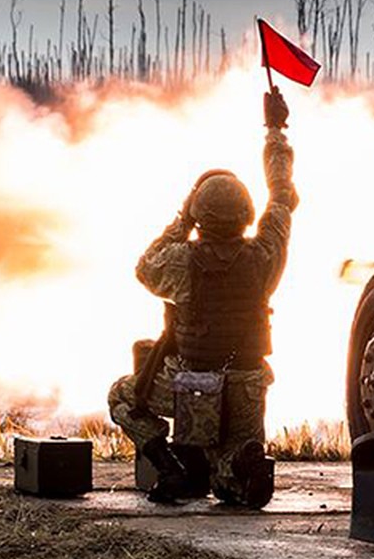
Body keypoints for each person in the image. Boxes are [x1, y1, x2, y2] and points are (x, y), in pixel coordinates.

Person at [107, 87, 297, 507]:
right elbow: (282, 193)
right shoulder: (265, 254)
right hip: (248, 383)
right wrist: (275, 129)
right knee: (227, 484)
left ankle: (172, 469)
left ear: (200, 215)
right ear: (246, 213)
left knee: (122, 396)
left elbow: (145, 266)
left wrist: (182, 218)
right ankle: (239, 468)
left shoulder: (179, 262)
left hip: (193, 384)